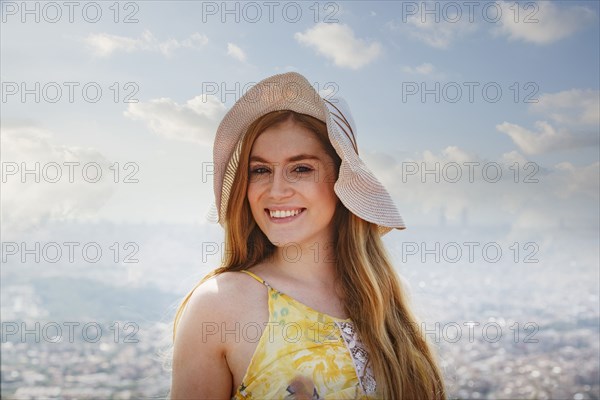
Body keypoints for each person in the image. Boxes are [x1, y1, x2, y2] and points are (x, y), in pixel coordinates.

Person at [170, 72, 446, 399]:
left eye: (300, 168)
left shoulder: (381, 298)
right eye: (260, 170)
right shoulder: (219, 305)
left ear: (342, 180)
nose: (276, 190)